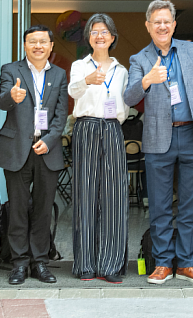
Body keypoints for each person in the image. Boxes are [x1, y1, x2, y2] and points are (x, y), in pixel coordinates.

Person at [124, 0, 193, 285]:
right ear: (148, 26)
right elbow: (128, 98)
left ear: (174, 24)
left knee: (190, 205)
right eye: (157, 22)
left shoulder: (192, 51)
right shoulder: (139, 59)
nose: (162, 26)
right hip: (157, 139)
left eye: (167, 21)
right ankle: (163, 262)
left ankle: (188, 263)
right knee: (160, 205)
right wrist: (146, 81)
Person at [0, 25, 68, 286]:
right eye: (32, 41)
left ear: (50, 46)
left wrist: (49, 141)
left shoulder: (59, 74)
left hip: (47, 149)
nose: (38, 46)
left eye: (43, 42)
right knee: (17, 209)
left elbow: (60, 115)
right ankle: (19, 263)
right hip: (17, 149)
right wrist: (11, 96)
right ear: (25, 45)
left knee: (42, 209)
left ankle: (40, 262)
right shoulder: (11, 70)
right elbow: (2, 102)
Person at [68, 14, 129, 284]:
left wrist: (116, 118)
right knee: (85, 194)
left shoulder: (122, 70)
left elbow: (126, 104)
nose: (100, 35)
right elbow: (72, 92)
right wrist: (88, 80)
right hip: (86, 127)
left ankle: (112, 263)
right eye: (94, 31)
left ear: (113, 36)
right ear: (88, 37)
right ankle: (85, 264)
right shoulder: (79, 66)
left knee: (114, 196)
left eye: (105, 31)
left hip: (113, 129)